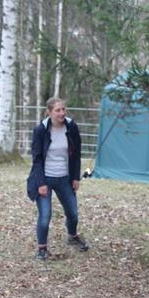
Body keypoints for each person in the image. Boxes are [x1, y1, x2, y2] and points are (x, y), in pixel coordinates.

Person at [26, 97, 89, 260]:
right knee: (45, 215)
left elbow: (76, 154)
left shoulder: (71, 127)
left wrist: (76, 177)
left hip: (64, 178)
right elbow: (37, 158)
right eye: (58, 110)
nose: (62, 113)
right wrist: (40, 183)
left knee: (73, 213)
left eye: (63, 109)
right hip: (44, 178)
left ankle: (72, 237)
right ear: (49, 112)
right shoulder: (41, 130)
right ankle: (42, 249)